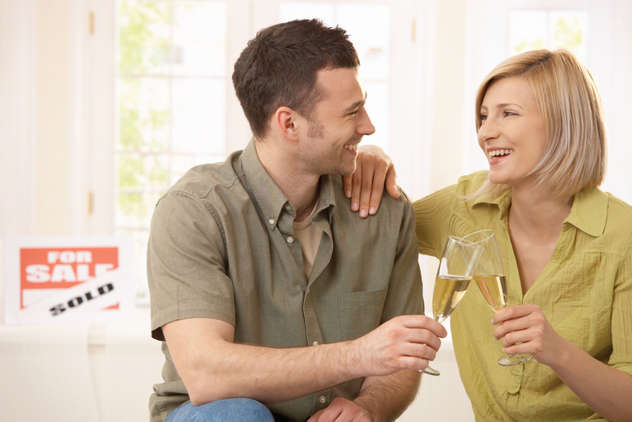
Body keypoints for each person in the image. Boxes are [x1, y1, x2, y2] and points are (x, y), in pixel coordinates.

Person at [147, 19, 446, 422]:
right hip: (217, 415)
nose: (368, 126)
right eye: (352, 112)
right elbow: (206, 373)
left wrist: (367, 409)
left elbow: (399, 360)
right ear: (289, 124)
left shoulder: (384, 209)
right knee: (238, 414)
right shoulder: (195, 210)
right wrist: (359, 355)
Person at [346, 49, 632, 421]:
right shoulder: (463, 206)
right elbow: (374, 228)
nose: (484, 133)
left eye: (507, 113)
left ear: (565, 122)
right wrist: (369, 155)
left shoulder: (623, 236)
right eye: (483, 117)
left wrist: (559, 352)